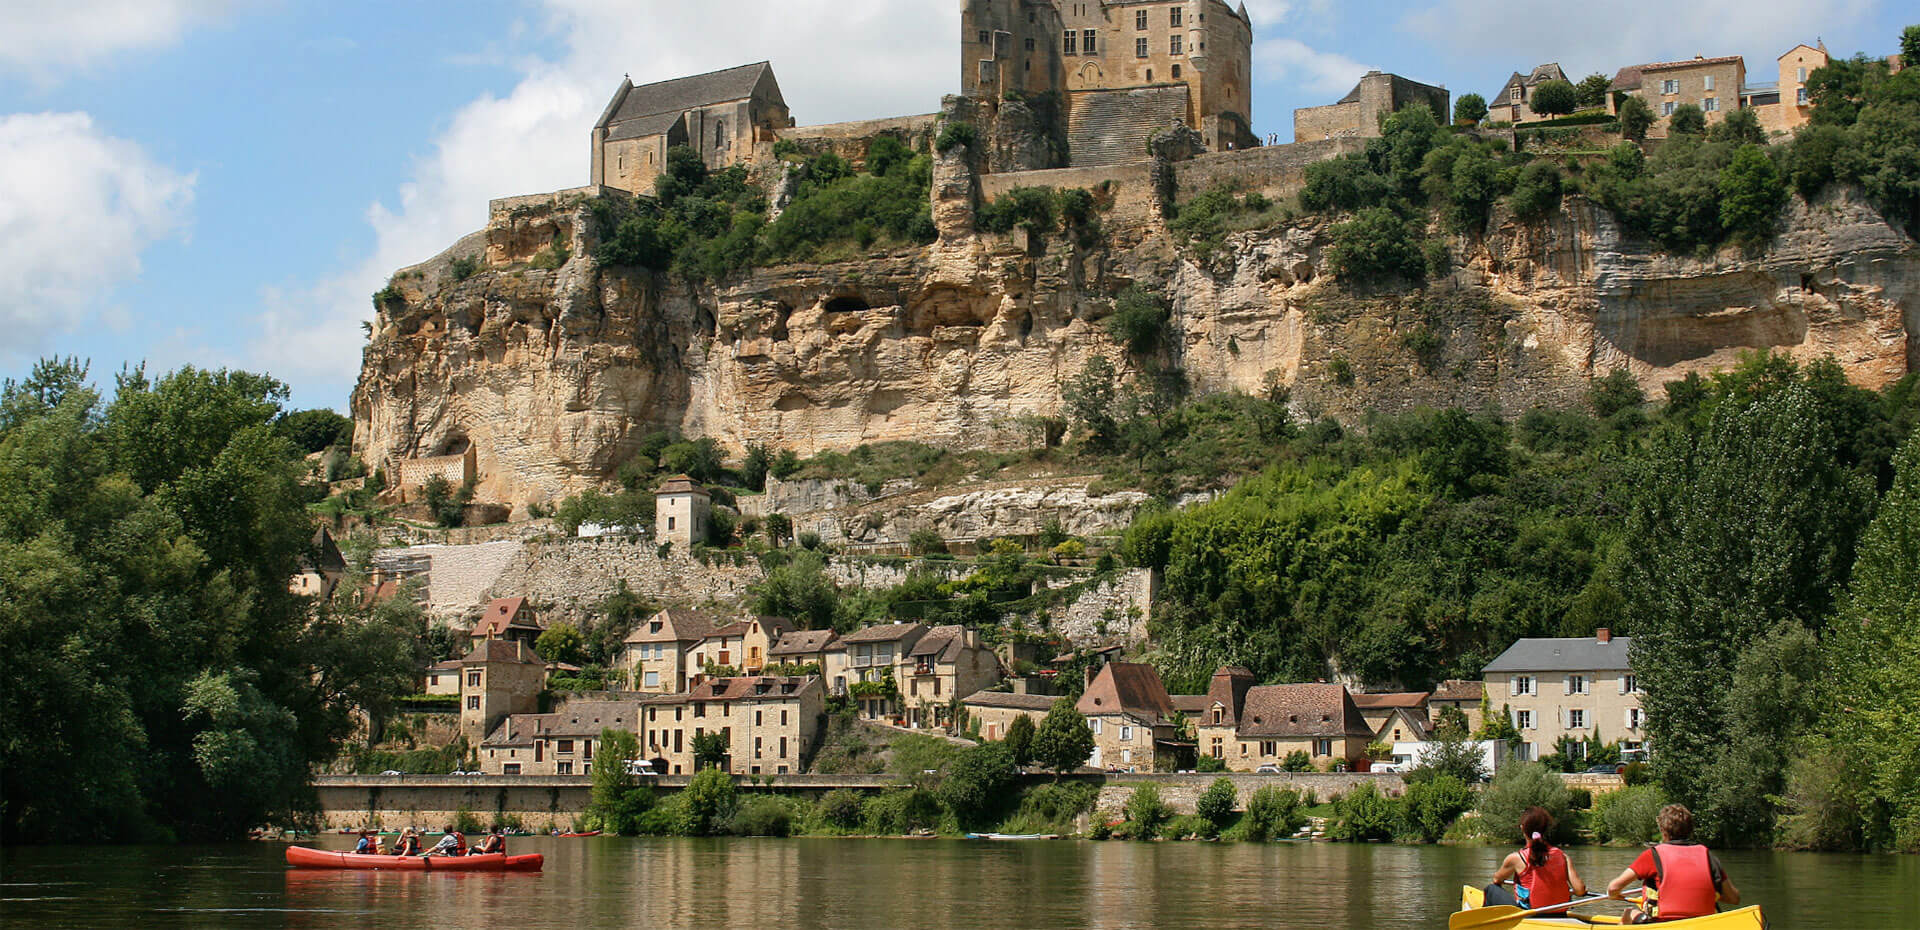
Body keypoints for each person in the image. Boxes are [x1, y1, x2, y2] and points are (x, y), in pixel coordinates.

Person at [1607, 804, 1739, 924]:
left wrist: (1615, 895)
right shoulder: (1708, 856)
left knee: (1629, 912)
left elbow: (1613, 888)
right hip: (1703, 923)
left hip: (1663, 924)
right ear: (1690, 830)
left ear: (1663, 832)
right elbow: (1733, 898)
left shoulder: (1652, 855)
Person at [1485, 806, 1585, 910]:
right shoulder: (1563, 856)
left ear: (1522, 827)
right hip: (1559, 913)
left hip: (1530, 914)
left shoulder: (1516, 858)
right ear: (1545, 829)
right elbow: (1580, 890)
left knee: (1491, 889)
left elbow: (1496, 879)